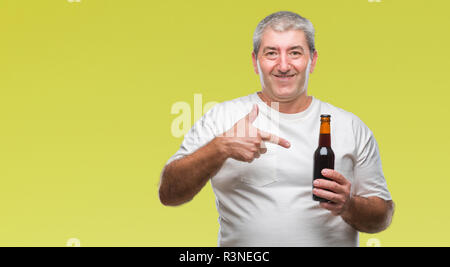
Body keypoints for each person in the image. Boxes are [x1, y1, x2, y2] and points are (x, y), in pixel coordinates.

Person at [159, 11, 394, 247]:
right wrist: (221, 148)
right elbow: (169, 194)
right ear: (255, 61)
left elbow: (382, 217)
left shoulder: (350, 126)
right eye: (271, 53)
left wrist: (349, 206)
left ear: (312, 60)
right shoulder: (221, 118)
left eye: (295, 53)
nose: (283, 65)